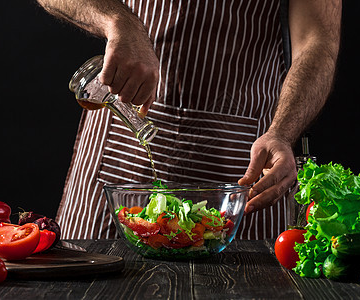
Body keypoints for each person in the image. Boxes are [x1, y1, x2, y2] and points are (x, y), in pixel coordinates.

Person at [36, 0, 341, 240]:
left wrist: (282, 133)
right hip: (122, 139)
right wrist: (117, 22)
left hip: (238, 155)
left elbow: (318, 40)